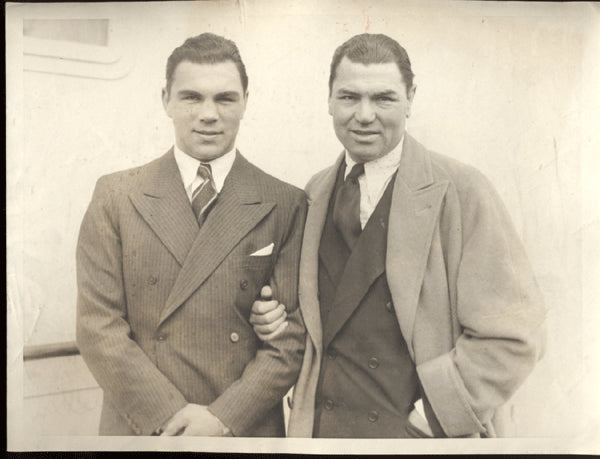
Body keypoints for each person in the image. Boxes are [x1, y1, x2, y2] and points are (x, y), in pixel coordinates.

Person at [249, 33, 546, 438]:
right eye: (349, 97)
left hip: (417, 438)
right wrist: (274, 321)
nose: (365, 115)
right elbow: (313, 320)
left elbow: (515, 335)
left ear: (410, 100)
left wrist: (433, 415)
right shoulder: (314, 193)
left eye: (384, 99)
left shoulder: (461, 190)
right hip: (324, 435)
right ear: (329, 101)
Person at [76, 33, 307, 437]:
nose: (208, 114)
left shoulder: (286, 203)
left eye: (225, 98)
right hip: (144, 426)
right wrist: (168, 416)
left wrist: (222, 419)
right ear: (166, 99)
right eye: (191, 97)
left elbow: (291, 339)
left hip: (241, 428)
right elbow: (98, 328)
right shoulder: (115, 196)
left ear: (246, 102)